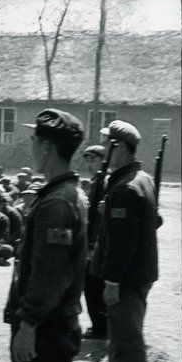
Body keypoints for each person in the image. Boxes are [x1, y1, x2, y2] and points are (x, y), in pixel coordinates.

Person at [4, 108, 88, 362]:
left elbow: (52, 274)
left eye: (34, 140)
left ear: (47, 146)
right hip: (51, 326)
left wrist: (28, 325)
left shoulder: (57, 202)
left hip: (45, 332)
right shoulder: (64, 194)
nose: (31, 146)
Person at [89, 120, 158, 362]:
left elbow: (122, 242)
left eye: (107, 144)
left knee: (128, 341)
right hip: (137, 273)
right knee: (118, 335)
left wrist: (112, 281)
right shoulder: (141, 179)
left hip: (127, 277)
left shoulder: (125, 187)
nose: (103, 149)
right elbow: (151, 221)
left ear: (117, 148)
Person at [82, 143, 108, 340]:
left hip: (100, 243)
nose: (90, 164)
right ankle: (99, 326)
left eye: (94, 160)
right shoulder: (95, 182)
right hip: (93, 241)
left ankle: (100, 328)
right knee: (91, 286)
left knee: (94, 285)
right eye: (88, 160)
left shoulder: (106, 182)